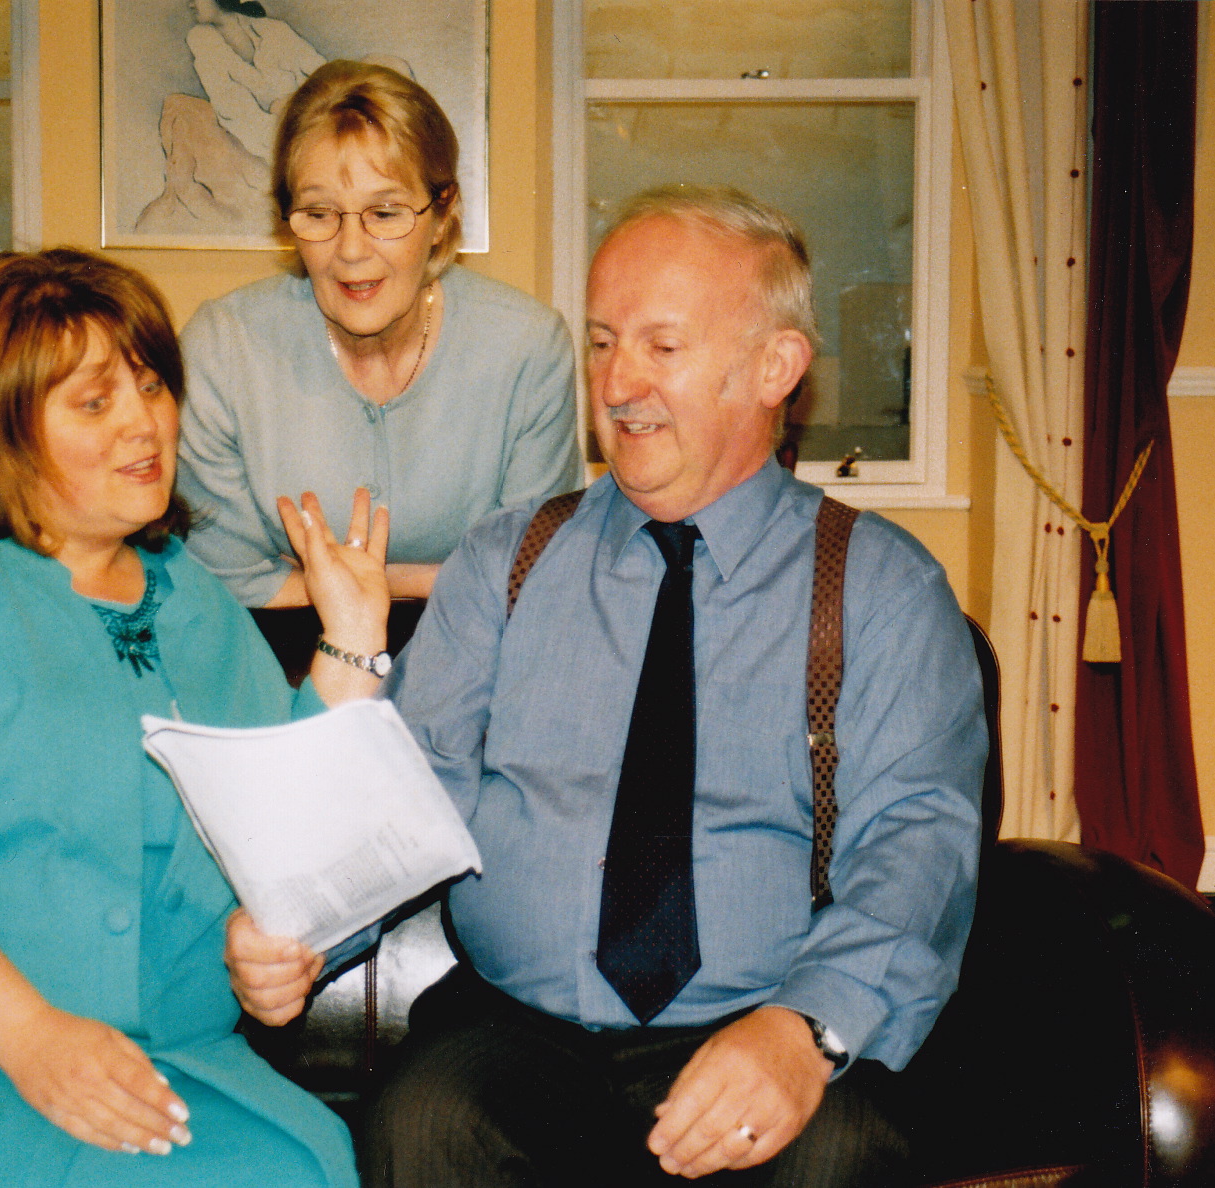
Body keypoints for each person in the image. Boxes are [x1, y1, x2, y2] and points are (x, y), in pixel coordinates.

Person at [228, 187, 987, 1186]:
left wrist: (808, 1030)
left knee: (838, 1155)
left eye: (661, 346)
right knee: (421, 1125)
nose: (618, 383)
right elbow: (406, 797)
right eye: (600, 343)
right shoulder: (506, 565)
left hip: (763, 1024)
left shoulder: (880, 589)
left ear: (776, 367)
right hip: (518, 1037)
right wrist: (300, 930)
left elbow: (915, 843)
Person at [0, 247, 389, 1188]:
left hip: (164, 1057)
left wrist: (353, 640)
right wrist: (32, 1037)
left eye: (151, 385)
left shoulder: (199, 607)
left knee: (313, 1162)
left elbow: (297, 841)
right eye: (94, 402)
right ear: (0, 428)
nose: (145, 422)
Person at [176, 59, 583, 611]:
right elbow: (226, 580)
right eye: (319, 213)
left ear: (443, 213)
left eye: (386, 213)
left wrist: (348, 576)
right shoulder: (223, 349)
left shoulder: (527, 348)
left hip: (481, 647)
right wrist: (441, 577)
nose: (350, 250)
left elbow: (533, 575)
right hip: (275, 647)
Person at [184, 0, 324, 166]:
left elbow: (326, 76)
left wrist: (291, 103)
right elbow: (235, 112)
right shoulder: (202, 41)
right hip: (275, 141)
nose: (190, 4)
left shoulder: (273, 29)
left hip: (317, 119)